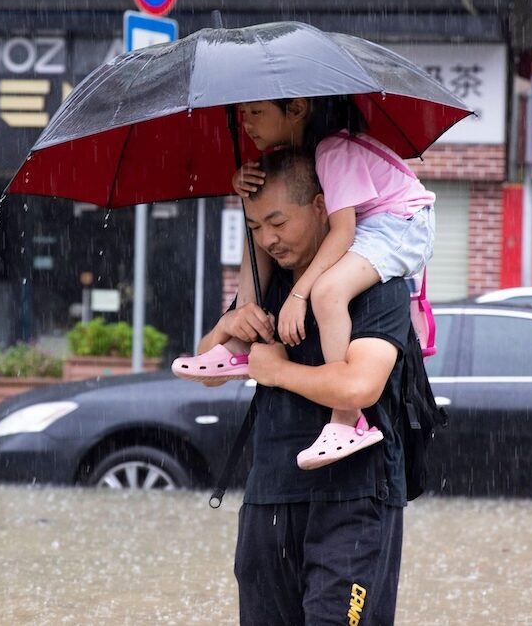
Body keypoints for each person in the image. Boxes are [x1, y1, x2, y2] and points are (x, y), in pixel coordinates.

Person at [194, 149, 413, 625]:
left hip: (353, 501)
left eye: (278, 222)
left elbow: (359, 387)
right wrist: (231, 322)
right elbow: (208, 368)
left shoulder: (376, 283)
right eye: (255, 229)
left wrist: (277, 372)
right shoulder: (264, 284)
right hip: (268, 498)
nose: (269, 239)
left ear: (320, 208)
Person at [174, 97, 435, 470]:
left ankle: (348, 420)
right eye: (243, 114)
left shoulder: (333, 151)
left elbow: (343, 231)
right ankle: (237, 344)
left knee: (327, 292)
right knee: (272, 239)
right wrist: (229, 324)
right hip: (273, 491)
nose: (246, 123)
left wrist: (299, 299)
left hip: (401, 226)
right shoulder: (305, 156)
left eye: (256, 112)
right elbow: (207, 377)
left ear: (296, 109)